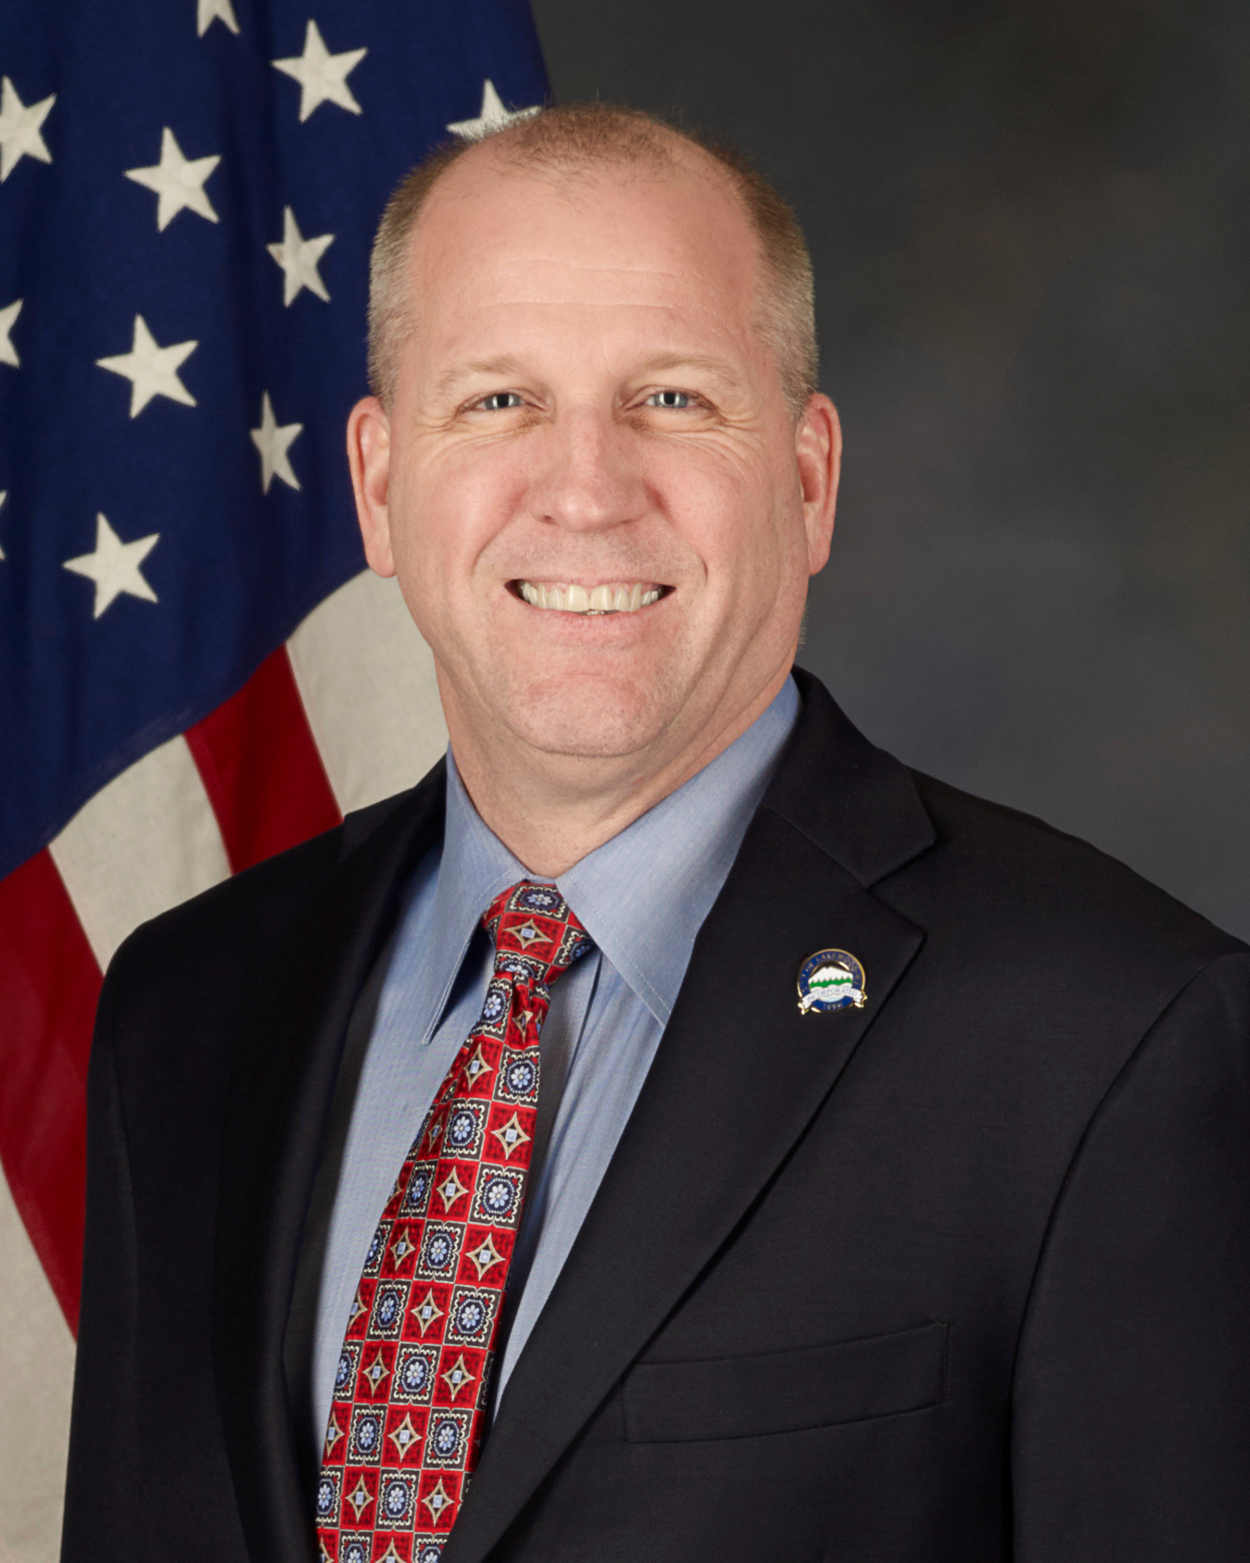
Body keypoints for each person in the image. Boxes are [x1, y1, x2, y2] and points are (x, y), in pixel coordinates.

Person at [62, 104, 1250, 1563]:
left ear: (807, 479)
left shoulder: (1110, 1032)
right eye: (496, 401)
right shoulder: (187, 1007)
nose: (583, 489)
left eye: (672, 399)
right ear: (379, 487)